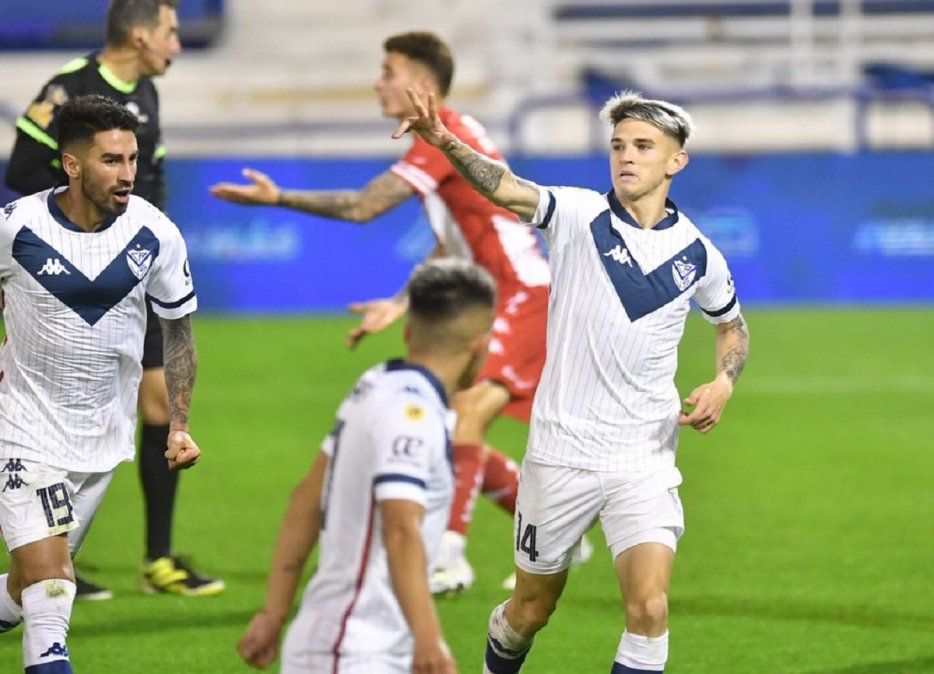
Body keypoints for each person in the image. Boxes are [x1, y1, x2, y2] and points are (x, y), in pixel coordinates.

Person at [394, 88, 751, 673]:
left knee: (650, 607)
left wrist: (723, 381)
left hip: (644, 456)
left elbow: (732, 326)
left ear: (676, 160)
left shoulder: (700, 255)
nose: (626, 157)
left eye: (642, 146)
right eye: (617, 146)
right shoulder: (578, 213)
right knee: (531, 610)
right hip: (561, 453)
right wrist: (445, 142)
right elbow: (504, 186)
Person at [209, 31, 570, 595]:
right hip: (493, 295)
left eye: (387, 71)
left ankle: (449, 557)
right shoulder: (448, 137)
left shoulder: (442, 137)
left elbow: (362, 206)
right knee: (448, 424)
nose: (378, 83)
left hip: (523, 294)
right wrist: (402, 301)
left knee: (464, 413)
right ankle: (554, 525)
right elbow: (451, 244)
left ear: (422, 85)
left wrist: (279, 199)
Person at [4, 0, 223, 599]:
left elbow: (149, 183)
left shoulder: (144, 94)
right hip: (69, 267)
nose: (177, 45)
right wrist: (79, 227)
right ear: (139, 34)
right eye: (170, 33)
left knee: (157, 406)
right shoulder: (70, 87)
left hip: (131, 270)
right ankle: (52, 556)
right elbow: (25, 167)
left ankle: (155, 558)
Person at [0, 95, 202, 673]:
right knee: (53, 587)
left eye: (133, 159)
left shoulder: (155, 234)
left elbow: (179, 334)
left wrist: (180, 424)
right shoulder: (16, 229)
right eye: (111, 160)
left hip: (102, 440)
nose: (128, 174)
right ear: (71, 164)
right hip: (23, 427)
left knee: (23, 593)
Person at [238, 259, 496, 673]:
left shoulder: (376, 382)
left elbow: (305, 499)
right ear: (481, 346)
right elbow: (400, 526)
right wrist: (430, 642)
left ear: (409, 331)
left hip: (333, 642)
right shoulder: (414, 414)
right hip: (356, 651)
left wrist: (273, 612)